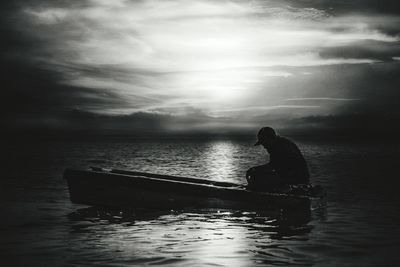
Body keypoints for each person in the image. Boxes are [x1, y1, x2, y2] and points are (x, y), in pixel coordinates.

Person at [246, 127, 309, 191]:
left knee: (257, 176)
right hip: (296, 177)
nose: (264, 146)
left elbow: (274, 166)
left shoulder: (280, 147)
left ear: (270, 138)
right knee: (258, 175)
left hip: (296, 179)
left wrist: (255, 170)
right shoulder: (280, 144)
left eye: (264, 142)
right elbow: (275, 166)